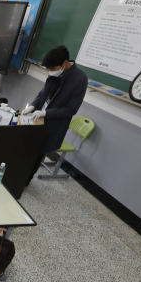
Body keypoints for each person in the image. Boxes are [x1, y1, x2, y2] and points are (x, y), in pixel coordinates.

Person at [23, 46, 88, 184]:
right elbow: (43, 92)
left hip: (53, 124)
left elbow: (71, 109)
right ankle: (16, 176)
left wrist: (46, 113)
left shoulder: (80, 79)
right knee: (27, 149)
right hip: (37, 118)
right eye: (49, 69)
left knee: (38, 154)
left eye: (52, 68)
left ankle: (25, 181)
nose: (50, 71)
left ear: (65, 63)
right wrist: (33, 106)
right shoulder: (55, 71)